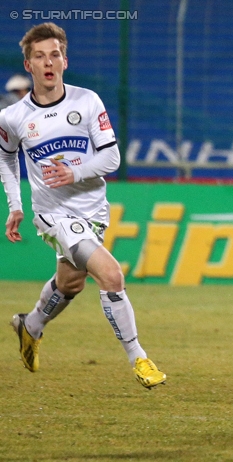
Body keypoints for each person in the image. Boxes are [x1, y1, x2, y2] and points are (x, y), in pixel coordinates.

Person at [0, 22, 166, 389]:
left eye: (54, 55)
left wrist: (74, 173)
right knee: (110, 275)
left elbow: (112, 158)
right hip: (52, 214)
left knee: (70, 283)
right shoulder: (13, 117)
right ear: (28, 65)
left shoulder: (86, 101)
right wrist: (16, 205)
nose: (48, 62)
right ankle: (139, 358)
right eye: (39, 56)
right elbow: (6, 159)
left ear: (65, 60)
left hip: (93, 209)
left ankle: (31, 326)